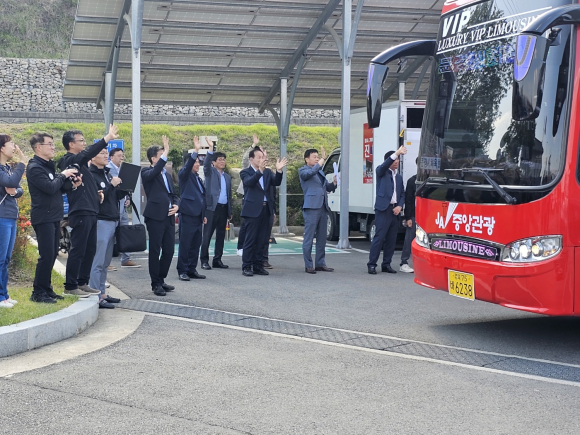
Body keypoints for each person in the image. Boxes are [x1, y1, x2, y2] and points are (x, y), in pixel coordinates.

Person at [58, 125, 120, 297]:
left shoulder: (82, 165)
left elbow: (86, 186)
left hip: (92, 210)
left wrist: (97, 195)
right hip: (81, 212)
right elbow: (87, 153)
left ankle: (82, 282)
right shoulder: (70, 160)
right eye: (81, 140)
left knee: (90, 250)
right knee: (78, 249)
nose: (84, 143)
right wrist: (107, 138)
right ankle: (71, 285)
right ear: (71, 144)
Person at [27, 133, 81, 303]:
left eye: (52, 144)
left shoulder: (47, 166)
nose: (53, 147)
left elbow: (56, 188)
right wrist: (63, 174)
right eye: (49, 144)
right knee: (46, 255)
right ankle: (38, 292)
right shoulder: (35, 167)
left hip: (53, 216)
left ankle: (46, 288)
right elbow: (49, 187)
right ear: (38, 147)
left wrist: (71, 185)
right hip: (43, 216)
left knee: (51, 255)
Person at [88, 149, 127, 309]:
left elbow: (113, 195)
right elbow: (98, 198)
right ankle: (95, 296)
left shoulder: (107, 173)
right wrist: (111, 185)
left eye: (106, 153)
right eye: (102, 153)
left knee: (105, 262)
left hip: (112, 220)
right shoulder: (91, 175)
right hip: (101, 221)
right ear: (92, 157)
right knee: (97, 261)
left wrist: (124, 188)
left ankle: (102, 293)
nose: (105, 156)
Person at [141, 135, 179, 296]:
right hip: (155, 217)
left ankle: (161, 279)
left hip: (169, 217)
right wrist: (166, 151)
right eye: (161, 155)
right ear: (153, 158)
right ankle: (155, 283)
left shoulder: (167, 175)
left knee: (169, 250)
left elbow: (173, 194)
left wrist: (177, 205)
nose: (165, 157)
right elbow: (155, 171)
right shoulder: (147, 172)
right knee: (155, 251)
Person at [239, 147, 286, 277]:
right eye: (259, 157)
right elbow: (249, 182)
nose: (262, 159)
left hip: (266, 209)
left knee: (262, 240)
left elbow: (276, 182)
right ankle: (246, 266)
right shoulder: (245, 172)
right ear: (251, 159)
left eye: (262, 157)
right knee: (250, 240)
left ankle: (258, 266)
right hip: (252, 211)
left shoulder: (268, 172)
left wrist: (279, 170)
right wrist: (259, 170)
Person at [367, 146, 407, 274]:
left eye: (398, 160)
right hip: (383, 209)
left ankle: (386, 264)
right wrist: (397, 152)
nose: (396, 162)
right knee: (379, 237)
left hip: (395, 210)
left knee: (391, 239)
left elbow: (402, 194)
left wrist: (400, 206)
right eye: (394, 160)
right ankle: (372, 264)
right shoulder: (381, 172)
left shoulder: (399, 177)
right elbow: (384, 166)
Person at [299, 149, 337, 274]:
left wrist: (334, 183)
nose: (317, 159)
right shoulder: (303, 171)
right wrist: (320, 162)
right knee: (309, 238)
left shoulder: (320, 172)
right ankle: (308, 265)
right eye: (314, 157)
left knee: (322, 238)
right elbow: (309, 174)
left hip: (323, 207)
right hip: (311, 207)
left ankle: (320, 263)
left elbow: (326, 187)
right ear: (307, 159)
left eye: (317, 157)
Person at [0, 135, 27, 308]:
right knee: (1, 258)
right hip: (1, 217)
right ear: (2, 148)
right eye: (11, 144)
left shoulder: (7, 168)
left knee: (6, 258)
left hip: (10, 216)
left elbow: (18, 188)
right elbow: (11, 182)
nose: (14, 147)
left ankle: (4, 294)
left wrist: (15, 191)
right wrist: (22, 163)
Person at [177, 136, 207, 281]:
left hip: (198, 215)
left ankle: (191, 268)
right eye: (195, 162)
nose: (197, 164)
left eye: (198, 162)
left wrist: (204, 214)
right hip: (188, 214)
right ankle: (182, 270)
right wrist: (195, 151)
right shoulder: (184, 175)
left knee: (195, 244)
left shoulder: (198, 178)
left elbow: (202, 197)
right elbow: (187, 167)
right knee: (185, 244)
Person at [200, 137, 232, 270]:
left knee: (220, 235)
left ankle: (217, 259)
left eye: (224, 159)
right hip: (211, 208)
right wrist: (210, 149)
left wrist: (230, 211)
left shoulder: (227, 177)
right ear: (214, 162)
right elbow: (205, 164)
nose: (222, 161)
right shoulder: (210, 172)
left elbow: (229, 195)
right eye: (220, 159)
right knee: (207, 235)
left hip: (223, 209)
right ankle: (204, 260)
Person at [107, 147, 141, 268]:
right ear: (111, 157)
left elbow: (124, 187)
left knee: (125, 231)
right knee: (110, 235)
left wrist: (127, 198)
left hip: (122, 206)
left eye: (122, 155)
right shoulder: (107, 170)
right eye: (119, 155)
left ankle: (126, 259)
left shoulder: (123, 169)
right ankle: (106, 262)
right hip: (112, 208)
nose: (121, 158)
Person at [236, 133, 260, 257]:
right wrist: (254, 145)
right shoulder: (247, 168)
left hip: (259, 200)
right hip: (248, 198)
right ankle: (241, 247)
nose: (261, 158)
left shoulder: (264, 170)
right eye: (259, 156)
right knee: (246, 225)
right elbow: (245, 158)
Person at [400, 165, 416, 273]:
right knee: (409, 238)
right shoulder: (412, 181)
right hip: (414, 215)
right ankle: (404, 262)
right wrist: (408, 217)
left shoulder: (433, 180)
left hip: (428, 215)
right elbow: (408, 200)